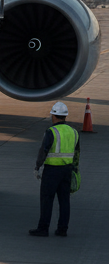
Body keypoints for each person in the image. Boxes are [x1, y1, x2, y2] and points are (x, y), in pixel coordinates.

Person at [30, 101, 80, 237]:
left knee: (47, 199)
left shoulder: (51, 131)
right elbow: (77, 153)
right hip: (67, 170)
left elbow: (44, 150)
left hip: (52, 171)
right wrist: (74, 169)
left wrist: (37, 166)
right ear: (65, 116)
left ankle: (43, 228)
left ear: (54, 116)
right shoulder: (74, 132)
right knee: (64, 201)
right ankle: (62, 229)